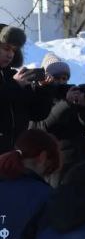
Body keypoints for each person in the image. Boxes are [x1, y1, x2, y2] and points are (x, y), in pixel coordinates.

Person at [34, 75, 85, 188]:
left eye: (64, 78)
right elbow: (43, 127)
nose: (61, 81)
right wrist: (66, 103)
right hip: (59, 164)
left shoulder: (75, 95)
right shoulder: (40, 95)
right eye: (56, 77)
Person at [0, 26, 52, 154]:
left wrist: (42, 89)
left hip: (15, 155)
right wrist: (14, 85)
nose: (10, 54)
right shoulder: (16, 81)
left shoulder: (15, 76)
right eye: (6, 48)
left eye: (14, 50)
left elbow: (38, 114)